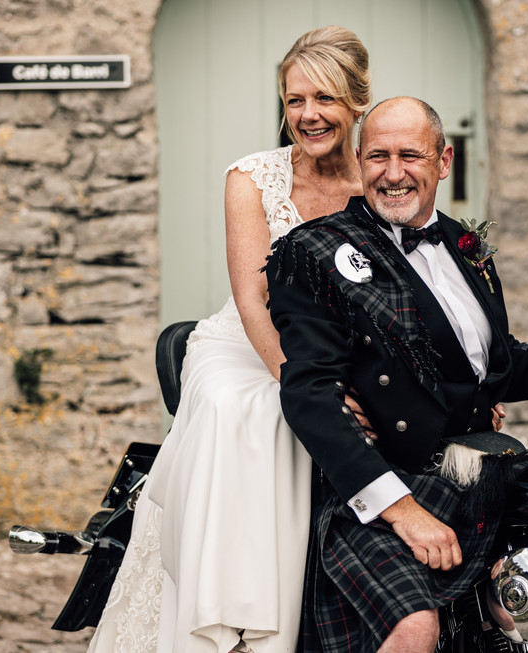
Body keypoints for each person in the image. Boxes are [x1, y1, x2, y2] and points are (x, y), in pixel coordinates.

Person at [265, 96, 528, 652]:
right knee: (414, 626)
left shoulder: (465, 246)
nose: (394, 173)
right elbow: (309, 395)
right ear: (358, 161)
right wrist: (402, 513)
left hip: (481, 477)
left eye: (411, 155)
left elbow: (502, 368)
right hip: (387, 487)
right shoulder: (312, 252)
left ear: (444, 161)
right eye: (378, 156)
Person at [87, 26, 371, 653]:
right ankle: (228, 623)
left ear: (356, 103)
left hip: (341, 348)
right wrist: (302, 385)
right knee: (244, 408)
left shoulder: (378, 183)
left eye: (324, 99)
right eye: (294, 100)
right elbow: (251, 299)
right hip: (247, 344)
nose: (308, 115)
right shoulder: (252, 177)